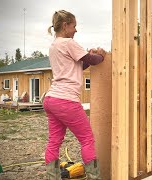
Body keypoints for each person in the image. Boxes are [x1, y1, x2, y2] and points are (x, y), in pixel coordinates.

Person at [44, 10, 106, 179]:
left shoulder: (54, 45)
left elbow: (79, 66)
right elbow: (93, 61)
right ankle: (94, 177)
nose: (76, 30)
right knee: (87, 139)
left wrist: (90, 55)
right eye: (74, 26)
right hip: (66, 99)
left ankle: (52, 176)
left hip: (51, 98)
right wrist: (100, 55)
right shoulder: (69, 43)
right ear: (65, 26)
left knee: (54, 141)